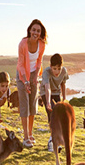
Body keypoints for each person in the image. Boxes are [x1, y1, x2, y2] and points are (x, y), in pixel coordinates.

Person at [16, 19, 46, 148]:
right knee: (25, 105)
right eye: (34, 30)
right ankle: (25, 136)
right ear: (29, 30)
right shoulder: (23, 43)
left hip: (34, 74)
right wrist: (26, 81)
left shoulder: (42, 44)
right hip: (22, 74)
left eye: (38, 31)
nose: (36, 32)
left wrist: (35, 76)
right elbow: (21, 64)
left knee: (32, 104)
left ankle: (31, 132)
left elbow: (39, 61)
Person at [40, 53, 69, 151]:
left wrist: (64, 99)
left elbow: (63, 85)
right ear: (50, 66)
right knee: (52, 115)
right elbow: (47, 88)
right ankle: (51, 142)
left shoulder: (64, 71)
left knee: (60, 116)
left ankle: (56, 140)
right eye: (54, 68)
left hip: (56, 92)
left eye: (59, 68)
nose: (57, 71)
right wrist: (48, 102)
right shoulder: (46, 72)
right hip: (46, 93)